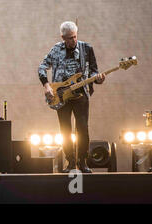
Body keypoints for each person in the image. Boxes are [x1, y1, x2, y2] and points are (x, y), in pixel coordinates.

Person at [38, 21, 105, 173]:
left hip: (81, 95)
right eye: (69, 38)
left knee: (82, 128)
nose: (73, 40)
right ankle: (70, 162)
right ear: (63, 37)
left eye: (74, 37)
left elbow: (94, 71)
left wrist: (98, 78)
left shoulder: (86, 48)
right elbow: (42, 67)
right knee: (65, 130)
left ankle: (82, 162)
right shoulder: (55, 50)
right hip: (61, 95)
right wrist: (47, 86)